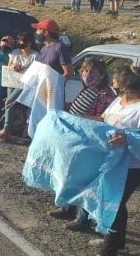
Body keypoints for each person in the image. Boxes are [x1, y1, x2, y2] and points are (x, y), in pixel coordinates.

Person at [46, 58, 116, 227]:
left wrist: (79, 118)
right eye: (84, 71)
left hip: (92, 144)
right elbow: (77, 108)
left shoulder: (106, 95)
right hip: (76, 139)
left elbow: (104, 120)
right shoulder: (88, 89)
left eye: (92, 72)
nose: (87, 75)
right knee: (69, 174)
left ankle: (82, 219)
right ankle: (66, 207)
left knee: (86, 180)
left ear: (102, 75)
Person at [90, 66, 140, 256]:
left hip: (131, 166)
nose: (113, 81)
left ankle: (109, 250)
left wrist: (127, 139)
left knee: (114, 203)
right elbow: (104, 119)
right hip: (111, 160)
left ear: (126, 85)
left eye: (116, 78)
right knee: (117, 203)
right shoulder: (119, 101)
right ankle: (118, 243)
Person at [0, 32, 39, 142]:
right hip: (12, 81)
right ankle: (7, 131)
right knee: (10, 106)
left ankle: (6, 129)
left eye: (22, 41)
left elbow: (36, 71)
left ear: (29, 43)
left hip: (25, 83)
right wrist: (14, 66)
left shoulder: (35, 56)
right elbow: (9, 65)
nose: (19, 43)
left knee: (9, 101)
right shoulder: (15, 52)